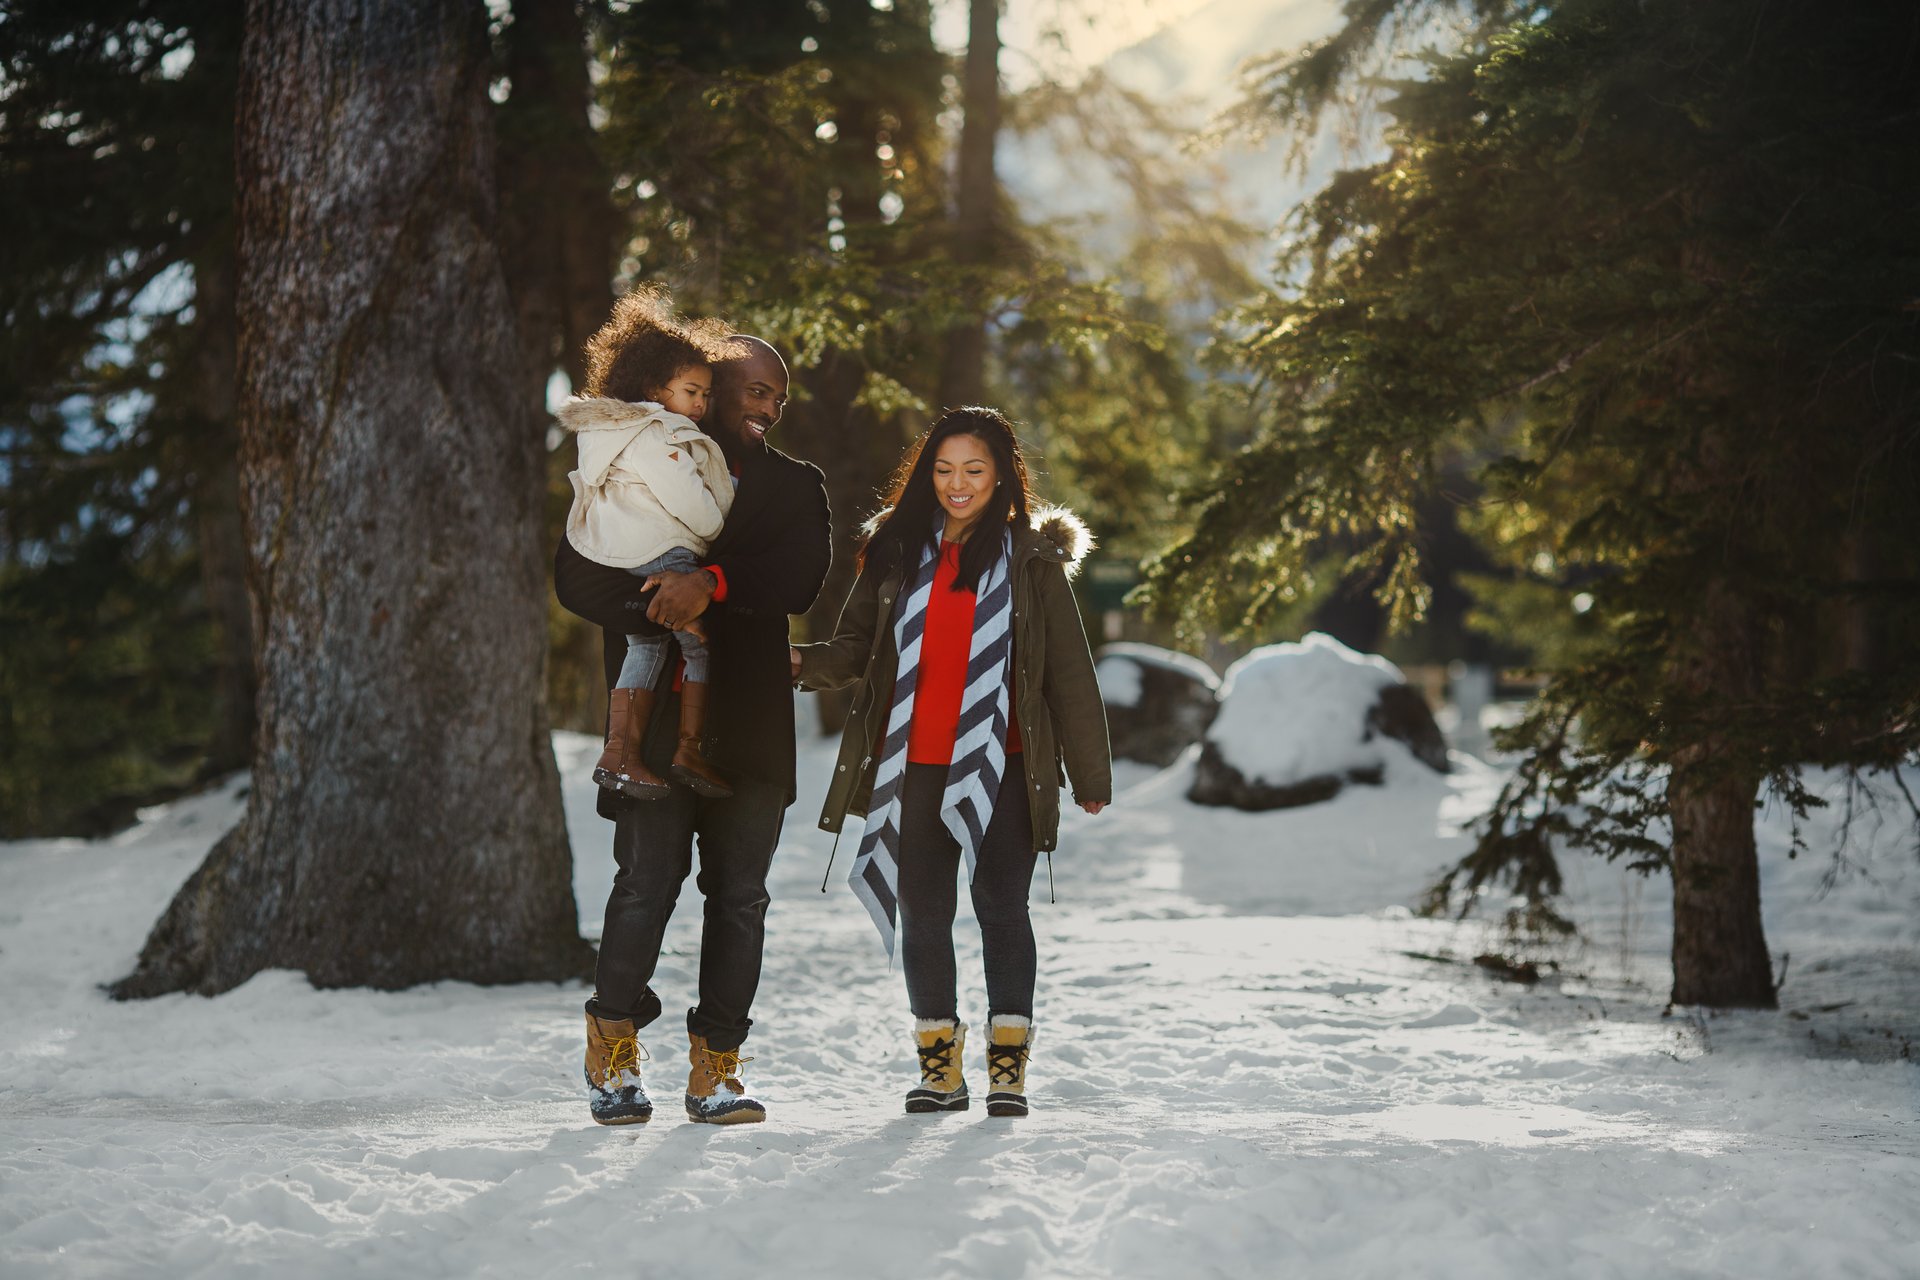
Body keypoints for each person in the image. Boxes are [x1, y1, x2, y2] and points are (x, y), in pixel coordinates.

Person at [791, 406, 1111, 1118]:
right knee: (924, 915)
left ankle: (1007, 1069)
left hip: (1005, 763)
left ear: (1001, 476)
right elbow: (853, 648)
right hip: (913, 765)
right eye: (942, 470)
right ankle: (940, 1068)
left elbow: (1069, 673)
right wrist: (796, 663)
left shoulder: (1032, 561)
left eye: (973, 469)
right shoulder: (896, 553)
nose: (956, 484)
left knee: (1002, 909)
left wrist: (1090, 776)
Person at [554, 318, 831, 1127]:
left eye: (779, 395)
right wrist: (659, 600)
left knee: (740, 898)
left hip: (750, 725)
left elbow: (800, 575)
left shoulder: (792, 483)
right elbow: (576, 579)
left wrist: (711, 582)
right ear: (703, 386)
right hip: (649, 727)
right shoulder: (635, 469)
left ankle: (716, 1071)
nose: (770, 406)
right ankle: (611, 1051)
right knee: (646, 885)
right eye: (756, 388)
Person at [558, 286, 734, 802]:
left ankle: (622, 754)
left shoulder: (615, 430)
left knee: (648, 639)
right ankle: (686, 747)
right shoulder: (658, 434)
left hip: (634, 550)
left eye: (706, 394)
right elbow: (694, 506)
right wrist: (723, 518)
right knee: (699, 641)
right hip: (668, 549)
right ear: (657, 388)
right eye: (690, 391)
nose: (700, 404)